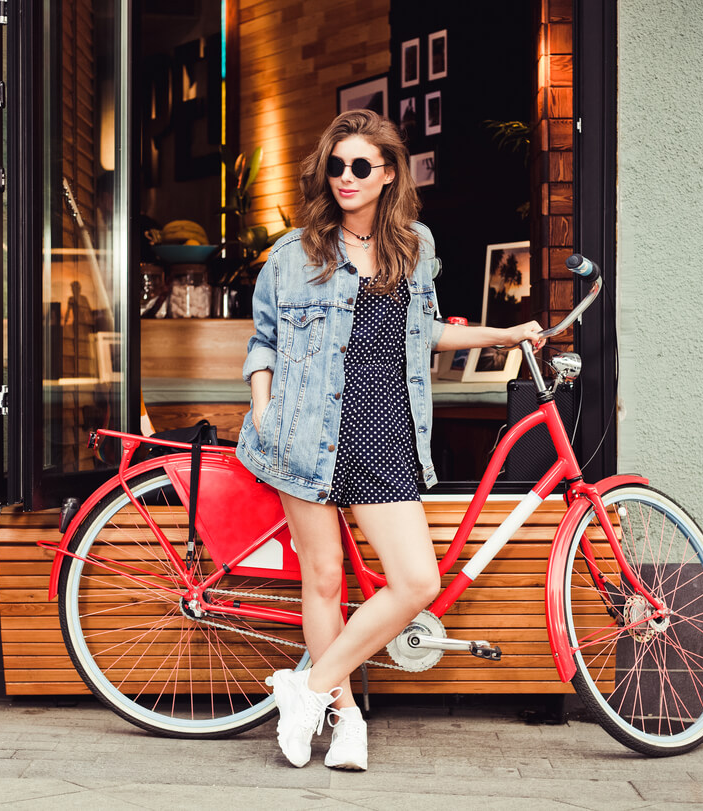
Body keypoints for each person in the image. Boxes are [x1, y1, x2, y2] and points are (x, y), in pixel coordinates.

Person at [234, 110, 545, 771]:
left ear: (387, 174)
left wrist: (504, 333)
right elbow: (262, 340)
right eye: (336, 166)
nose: (345, 178)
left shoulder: (414, 246)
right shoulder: (293, 256)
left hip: (385, 430)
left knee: (416, 580)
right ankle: (345, 722)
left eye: (360, 167)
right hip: (304, 434)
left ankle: (308, 687)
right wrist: (263, 411)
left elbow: (425, 332)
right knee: (323, 580)